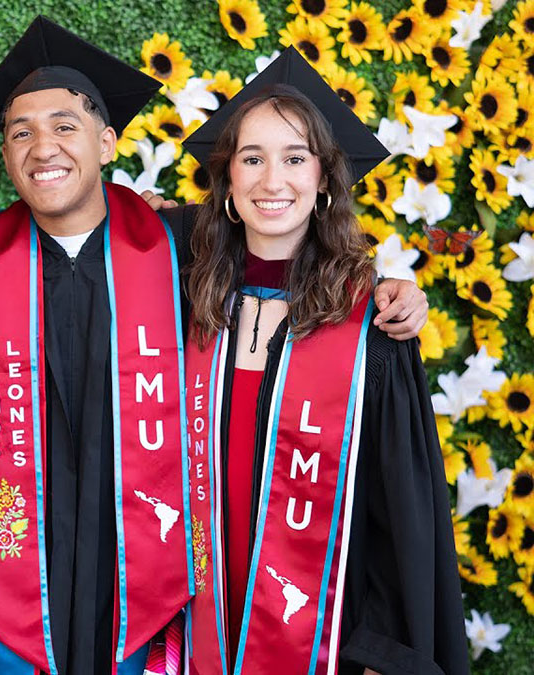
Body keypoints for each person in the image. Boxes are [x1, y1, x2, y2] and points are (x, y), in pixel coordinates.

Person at [0, 18, 429, 674]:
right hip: (11, 598)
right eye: (21, 132)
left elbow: (293, 255)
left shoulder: (170, 251)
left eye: (66, 125)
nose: (44, 146)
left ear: (107, 142)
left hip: (150, 603)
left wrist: (391, 290)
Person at [179, 48, 468, 674]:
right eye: (251, 159)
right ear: (228, 180)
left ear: (324, 180)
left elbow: (400, 516)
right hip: (192, 634)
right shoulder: (188, 303)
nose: (271, 180)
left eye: (294, 158)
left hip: (321, 645)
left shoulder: (372, 329)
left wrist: (377, 656)